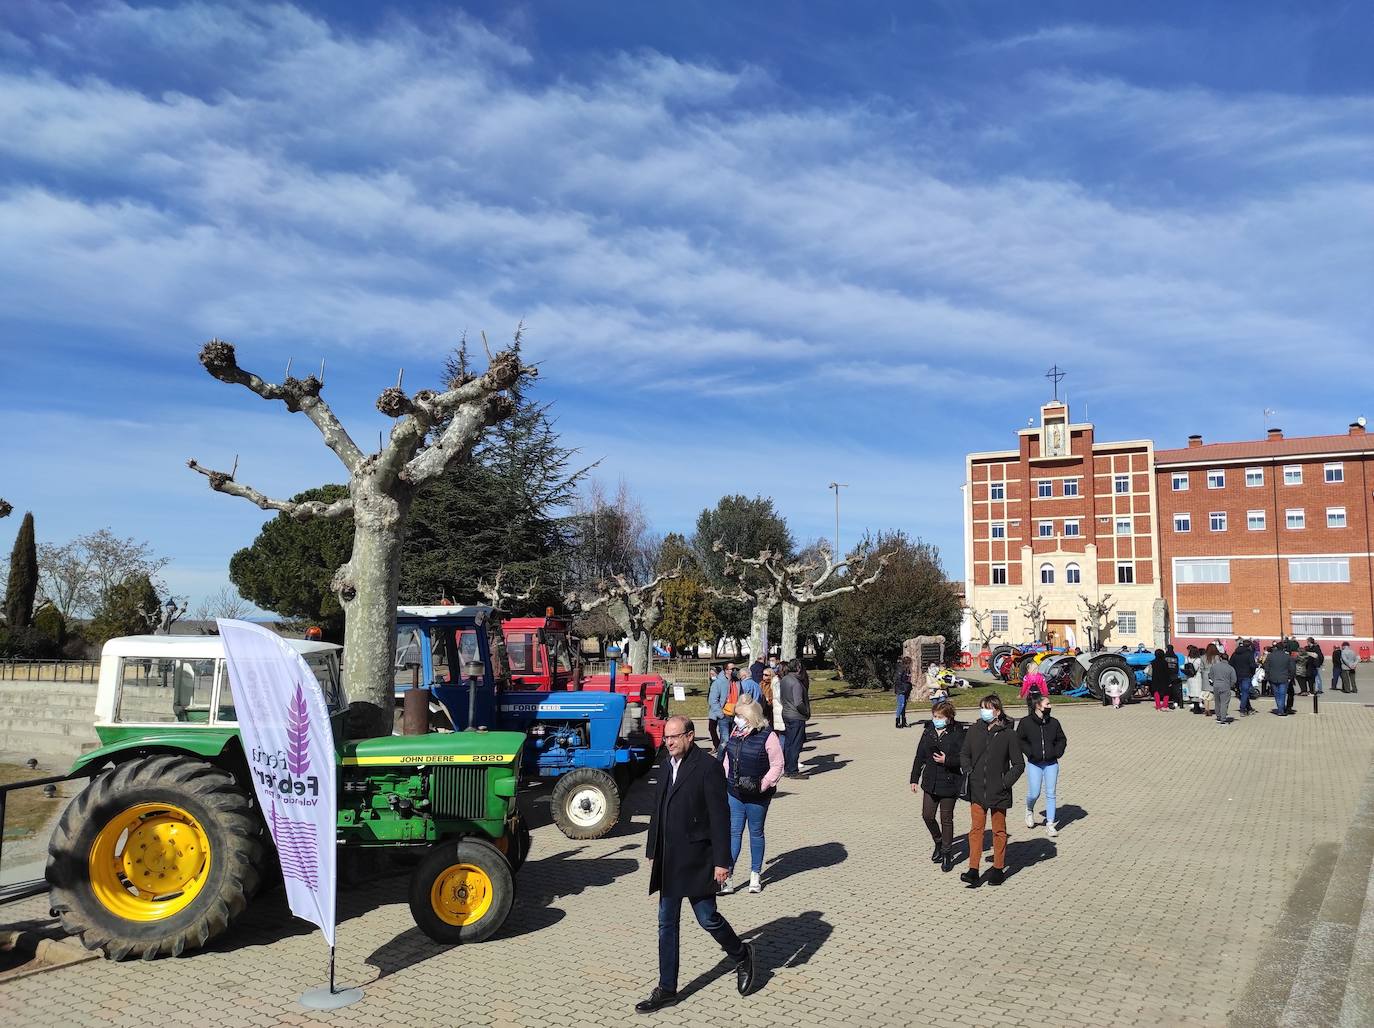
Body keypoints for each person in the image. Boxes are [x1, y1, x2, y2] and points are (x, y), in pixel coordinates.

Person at [637, 715, 755, 1012]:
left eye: (674, 737)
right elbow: (659, 808)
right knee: (666, 923)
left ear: (690, 736)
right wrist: (653, 846)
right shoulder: (666, 764)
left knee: (707, 918)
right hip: (669, 859)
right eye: (666, 738)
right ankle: (667, 989)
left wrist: (722, 861)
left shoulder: (708, 767)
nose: (669, 742)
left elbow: (720, 816)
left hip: (698, 859)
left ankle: (742, 954)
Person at [719, 697, 784, 895]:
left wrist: (763, 785)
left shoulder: (768, 735)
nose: (735, 719)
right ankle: (727, 877)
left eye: (739, 715)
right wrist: (725, 778)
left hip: (757, 795)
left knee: (756, 833)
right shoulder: (736, 732)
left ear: (749, 716)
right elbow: (729, 759)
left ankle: (755, 874)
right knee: (733, 832)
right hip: (735, 792)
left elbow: (777, 765)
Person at [959, 695, 1024, 888]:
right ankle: (973, 870)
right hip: (977, 790)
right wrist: (968, 769)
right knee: (976, 830)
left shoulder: (1008, 734)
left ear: (997, 711)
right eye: (981, 708)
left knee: (999, 830)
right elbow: (964, 753)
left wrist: (1005, 782)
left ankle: (998, 868)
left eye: (987, 708)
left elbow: (1019, 764)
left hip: (999, 791)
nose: (983, 711)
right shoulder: (973, 730)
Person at [910, 699, 964, 872]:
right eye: (934, 716)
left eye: (939, 717)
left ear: (948, 717)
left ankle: (947, 853)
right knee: (927, 815)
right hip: (930, 781)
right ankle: (938, 841)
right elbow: (920, 756)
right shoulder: (929, 731)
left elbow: (964, 758)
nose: (936, 719)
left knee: (946, 818)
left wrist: (947, 760)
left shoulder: (958, 733)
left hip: (950, 782)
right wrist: (914, 778)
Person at [1017, 692, 1067, 836]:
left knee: (1051, 794)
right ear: (1038, 706)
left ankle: (1050, 824)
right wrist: (1030, 752)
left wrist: (1056, 752)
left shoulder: (1054, 722)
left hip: (1051, 763)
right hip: (1035, 763)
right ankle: (1029, 809)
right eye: (1047, 704)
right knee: (1034, 793)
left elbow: (1061, 740)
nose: (1050, 706)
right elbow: (1020, 740)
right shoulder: (1025, 722)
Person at [779, 662, 810, 779]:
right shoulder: (796, 683)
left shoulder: (785, 679)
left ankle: (787, 768)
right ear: (798, 668)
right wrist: (805, 712)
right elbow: (798, 703)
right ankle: (792, 770)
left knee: (788, 743)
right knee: (795, 744)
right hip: (796, 716)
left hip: (786, 713)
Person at [1207, 643, 1236, 725]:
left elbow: (1210, 675)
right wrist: (1230, 685)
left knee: (1217, 702)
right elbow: (1234, 679)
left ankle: (1218, 717)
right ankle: (1223, 718)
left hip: (1216, 685)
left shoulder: (1214, 666)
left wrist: (1214, 681)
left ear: (1220, 658)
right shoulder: (1230, 668)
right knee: (1224, 703)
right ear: (1228, 659)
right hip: (1225, 686)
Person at [707, 664, 732, 752]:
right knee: (712, 729)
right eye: (710, 674)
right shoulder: (716, 682)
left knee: (720, 732)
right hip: (715, 711)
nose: (711, 676)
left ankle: (719, 748)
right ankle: (718, 746)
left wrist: (720, 714)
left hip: (718, 712)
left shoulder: (719, 682)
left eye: (713, 674)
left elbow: (715, 700)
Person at [1265, 643, 1294, 716]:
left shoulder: (1270, 656)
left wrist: (1267, 676)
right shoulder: (1288, 657)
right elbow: (1292, 668)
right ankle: (1281, 710)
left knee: (1277, 694)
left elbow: (1266, 667)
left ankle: (1280, 708)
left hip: (1273, 677)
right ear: (1284, 648)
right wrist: (1290, 677)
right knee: (1282, 694)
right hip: (1284, 677)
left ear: (1276, 648)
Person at [1230, 639, 1257, 716]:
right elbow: (1252, 665)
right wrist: (1255, 667)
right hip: (1246, 675)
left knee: (1243, 692)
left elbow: (1231, 664)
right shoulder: (1249, 654)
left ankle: (1249, 708)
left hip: (1237, 675)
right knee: (1245, 692)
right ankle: (1242, 710)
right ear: (1249, 646)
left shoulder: (1235, 653)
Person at [894, 656, 914, 729]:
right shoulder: (900, 669)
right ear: (907, 663)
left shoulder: (907, 670)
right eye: (910, 663)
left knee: (904, 705)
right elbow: (898, 680)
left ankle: (904, 721)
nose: (910, 664)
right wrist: (902, 688)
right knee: (901, 705)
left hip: (906, 689)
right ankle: (897, 721)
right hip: (901, 690)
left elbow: (907, 679)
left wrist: (909, 685)